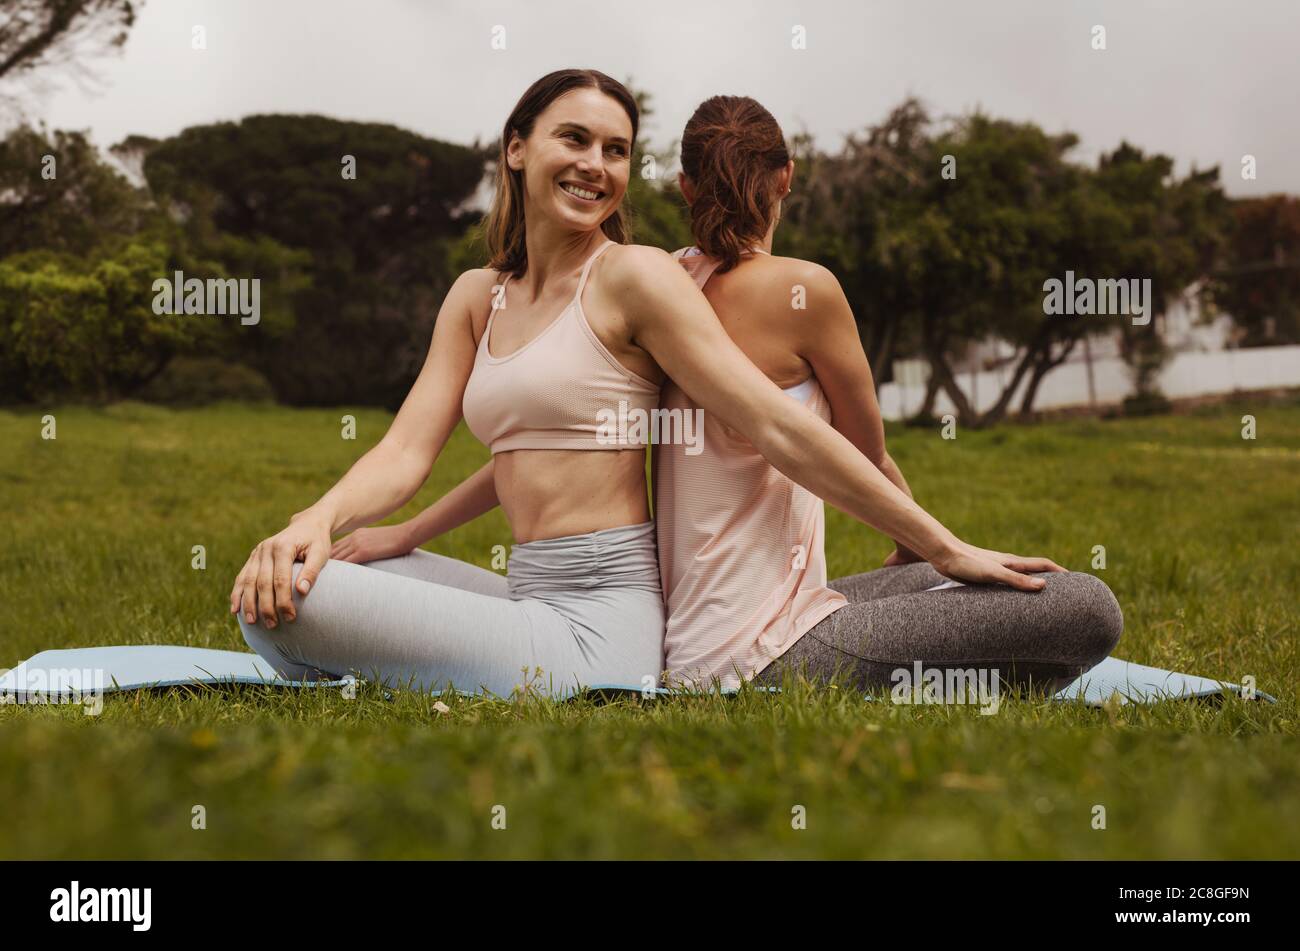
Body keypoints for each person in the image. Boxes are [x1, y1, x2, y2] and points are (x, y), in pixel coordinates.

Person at [231, 70, 1068, 700]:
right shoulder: (473, 297)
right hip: (527, 587)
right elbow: (407, 448)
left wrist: (946, 545)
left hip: (604, 622)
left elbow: (776, 426)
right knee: (277, 587)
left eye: (616, 149)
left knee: (295, 607)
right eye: (574, 139)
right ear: (517, 148)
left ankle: (459, 668)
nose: (595, 164)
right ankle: (428, 651)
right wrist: (328, 518)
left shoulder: (635, 279)